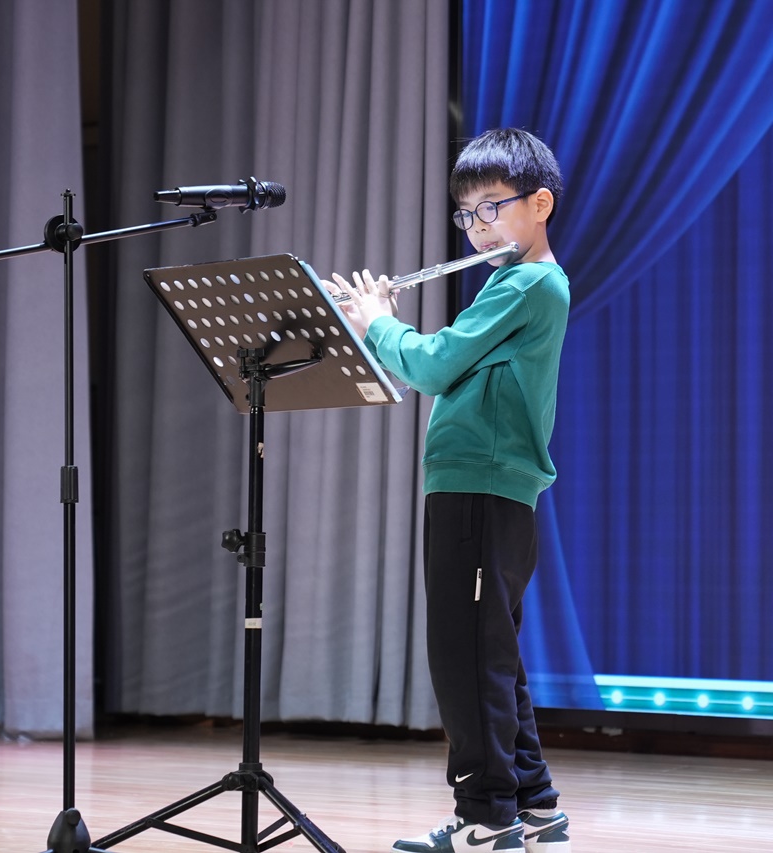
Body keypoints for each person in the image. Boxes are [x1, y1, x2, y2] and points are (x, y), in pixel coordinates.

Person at [330, 127, 572, 853]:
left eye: (492, 208)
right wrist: (382, 328)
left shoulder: (530, 283)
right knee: (490, 654)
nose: (477, 227)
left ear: (539, 204)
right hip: (481, 490)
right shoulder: (510, 284)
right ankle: (532, 804)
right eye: (466, 215)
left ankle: (487, 815)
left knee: (464, 658)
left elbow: (433, 365)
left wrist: (378, 323)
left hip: (480, 489)